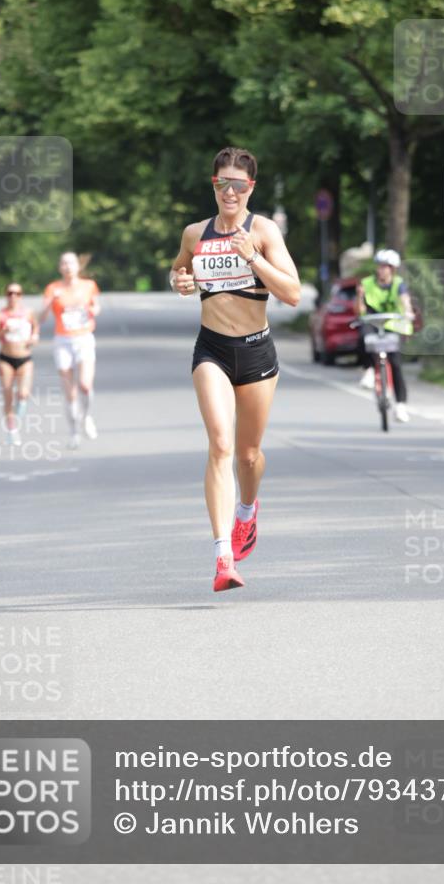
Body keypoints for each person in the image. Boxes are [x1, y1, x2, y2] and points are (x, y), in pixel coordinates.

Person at [170, 147, 301, 592]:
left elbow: (294, 293)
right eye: (222, 183)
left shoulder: (262, 230)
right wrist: (180, 282)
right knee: (221, 446)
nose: (230, 191)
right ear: (213, 185)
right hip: (212, 350)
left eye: (238, 184)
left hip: (257, 352)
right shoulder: (195, 233)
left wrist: (253, 257)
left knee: (248, 456)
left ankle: (247, 509)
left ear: (251, 188)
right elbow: (179, 272)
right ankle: (222, 555)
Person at [40, 252, 101, 449]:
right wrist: (50, 302)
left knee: (85, 385)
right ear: (60, 268)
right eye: (64, 263)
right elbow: (40, 318)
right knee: (70, 392)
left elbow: (96, 307)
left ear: (77, 266)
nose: (67, 266)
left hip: (84, 338)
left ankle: (87, 417)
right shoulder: (53, 288)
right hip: (63, 341)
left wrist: (93, 311)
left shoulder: (88, 286)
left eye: (71, 263)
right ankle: (74, 431)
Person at [357, 249, 414, 422]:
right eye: (379, 266)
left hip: (392, 324)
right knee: (363, 335)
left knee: (396, 364)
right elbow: (360, 308)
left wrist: (408, 312)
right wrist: (360, 302)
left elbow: (405, 301)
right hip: (373, 322)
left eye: (386, 267)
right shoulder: (366, 283)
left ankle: (401, 406)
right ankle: (368, 370)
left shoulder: (398, 283)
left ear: (392, 269)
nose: (381, 270)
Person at [0, 284, 39, 446]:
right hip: (6, 359)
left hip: (25, 358)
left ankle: (17, 418)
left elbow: (35, 328)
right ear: (6, 295)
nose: (13, 296)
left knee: (23, 394)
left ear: (21, 295)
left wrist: (34, 337)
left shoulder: (28, 313)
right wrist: (4, 331)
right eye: (10, 293)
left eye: (17, 293)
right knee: (8, 395)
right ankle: (12, 430)